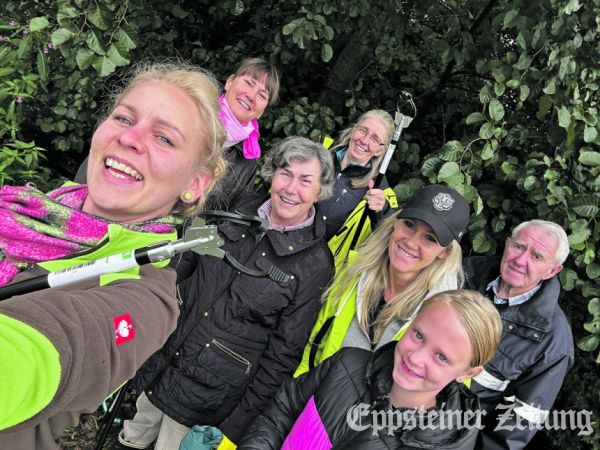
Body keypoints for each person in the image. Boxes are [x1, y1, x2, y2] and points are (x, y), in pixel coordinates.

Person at [0, 62, 227, 450]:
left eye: (165, 139)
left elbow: (36, 357)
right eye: (124, 117)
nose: (131, 138)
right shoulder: (27, 208)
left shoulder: (147, 300)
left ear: (194, 184)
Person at [116, 136, 336, 449]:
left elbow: (282, 356)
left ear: (319, 191)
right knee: (133, 436)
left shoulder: (316, 264)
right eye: (285, 173)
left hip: (208, 398)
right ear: (272, 175)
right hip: (162, 361)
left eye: (305, 180)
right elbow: (182, 262)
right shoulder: (237, 208)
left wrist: (237, 425)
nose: (291, 188)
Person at [238, 289, 503, 449]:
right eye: (419, 335)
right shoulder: (347, 364)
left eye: (442, 357)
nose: (416, 357)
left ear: (467, 373)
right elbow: (283, 410)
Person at [295, 184, 470, 377]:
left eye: (430, 238)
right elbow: (314, 346)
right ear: (396, 222)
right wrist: (297, 394)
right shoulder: (355, 271)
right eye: (410, 225)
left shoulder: (445, 320)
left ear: (444, 253)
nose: (411, 243)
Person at [75, 57, 279, 210]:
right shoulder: (182, 112)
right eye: (249, 83)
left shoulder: (248, 161)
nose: (251, 96)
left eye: (262, 95)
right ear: (230, 82)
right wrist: (79, 200)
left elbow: (227, 219)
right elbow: (106, 160)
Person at [463, 219, 574, 450]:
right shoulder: (465, 273)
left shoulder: (553, 343)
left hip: (452, 435)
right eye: (519, 247)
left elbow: (518, 425)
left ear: (552, 270)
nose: (520, 260)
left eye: (536, 257)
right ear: (506, 245)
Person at [319, 109, 397, 243]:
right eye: (363, 131)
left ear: (380, 150)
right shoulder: (321, 152)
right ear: (354, 129)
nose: (364, 141)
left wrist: (382, 210)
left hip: (317, 260)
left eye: (375, 139)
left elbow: (388, 234)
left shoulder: (378, 187)